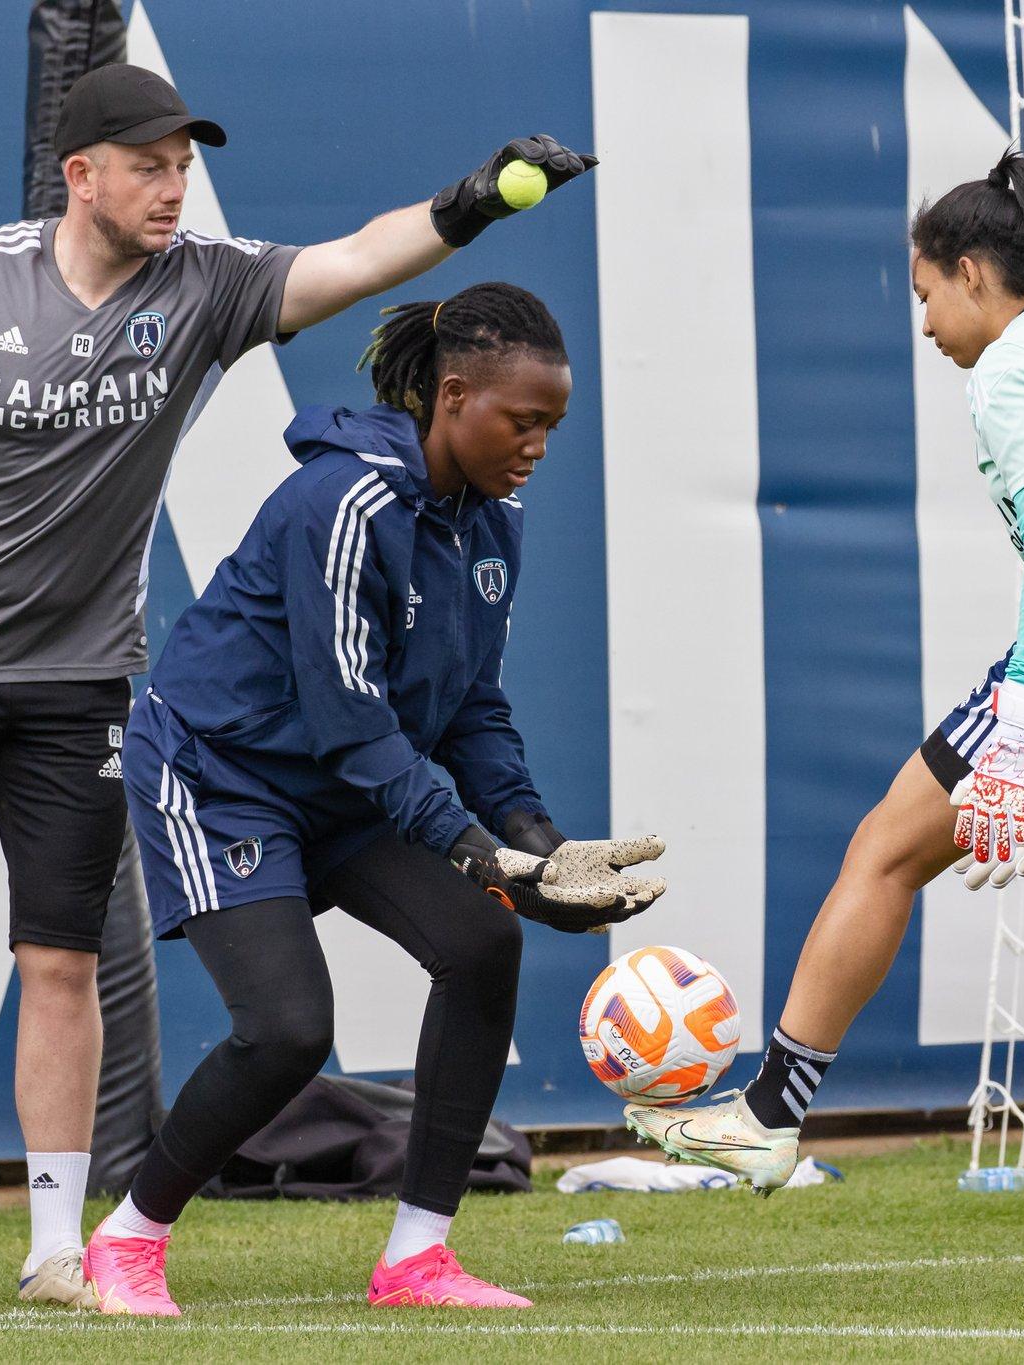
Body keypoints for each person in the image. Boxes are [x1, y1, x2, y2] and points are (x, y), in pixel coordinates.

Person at [0, 61, 596, 1310]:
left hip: (87, 674)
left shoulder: (203, 285)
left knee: (57, 959)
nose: (174, 186)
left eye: (184, 164)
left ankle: (60, 1247)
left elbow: (355, 262)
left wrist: (470, 207)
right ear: (78, 174)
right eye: (149, 164)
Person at [628, 149, 1024, 1312]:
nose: (922, 325)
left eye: (922, 295)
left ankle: (767, 1118)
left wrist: (1016, 733)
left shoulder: (1013, 364)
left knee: (882, 850)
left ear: (968, 273)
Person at [81, 282, 667, 1316]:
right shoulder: (340, 504)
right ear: (451, 397)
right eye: (521, 420)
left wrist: (538, 843)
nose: (537, 444)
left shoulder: (495, 525)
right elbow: (352, 720)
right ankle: (127, 1239)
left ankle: (415, 1260)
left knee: (483, 945)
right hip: (221, 773)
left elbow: (470, 708)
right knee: (288, 1028)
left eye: (552, 426)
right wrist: (484, 858)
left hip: (340, 782)